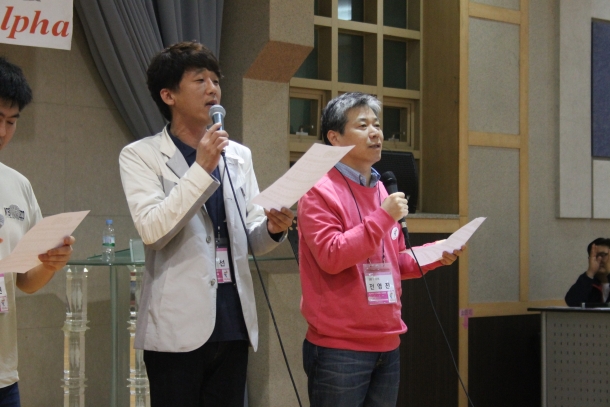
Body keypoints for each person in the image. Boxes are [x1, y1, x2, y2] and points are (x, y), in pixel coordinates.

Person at [118, 41, 294, 407]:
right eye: (199, 80)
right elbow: (153, 231)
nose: (212, 89)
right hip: (176, 328)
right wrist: (201, 168)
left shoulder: (238, 155)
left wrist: (274, 228)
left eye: (215, 80)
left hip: (232, 321)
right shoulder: (141, 156)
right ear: (168, 95)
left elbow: (251, 238)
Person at [297, 92, 464, 407]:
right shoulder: (318, 191)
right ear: (334, 137)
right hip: (340, 348)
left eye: (377, 124)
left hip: (387, 342)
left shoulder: (382, 188)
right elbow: (332, 256)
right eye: (363, 125)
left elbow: (394, 262)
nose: (375, 132)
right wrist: (383, 216)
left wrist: (436, 253)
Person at [0, 56, 75, 407]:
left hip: (4, 375)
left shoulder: (18, 185)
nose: (3, 132)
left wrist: (49, 263)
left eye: (11, 121)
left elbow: (24, 282)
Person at [565, 237, 610, 307]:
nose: (599, 259)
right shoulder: (588, 282)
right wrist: (590, 272)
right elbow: (572, 302)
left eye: (603, 255)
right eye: (595, 256)